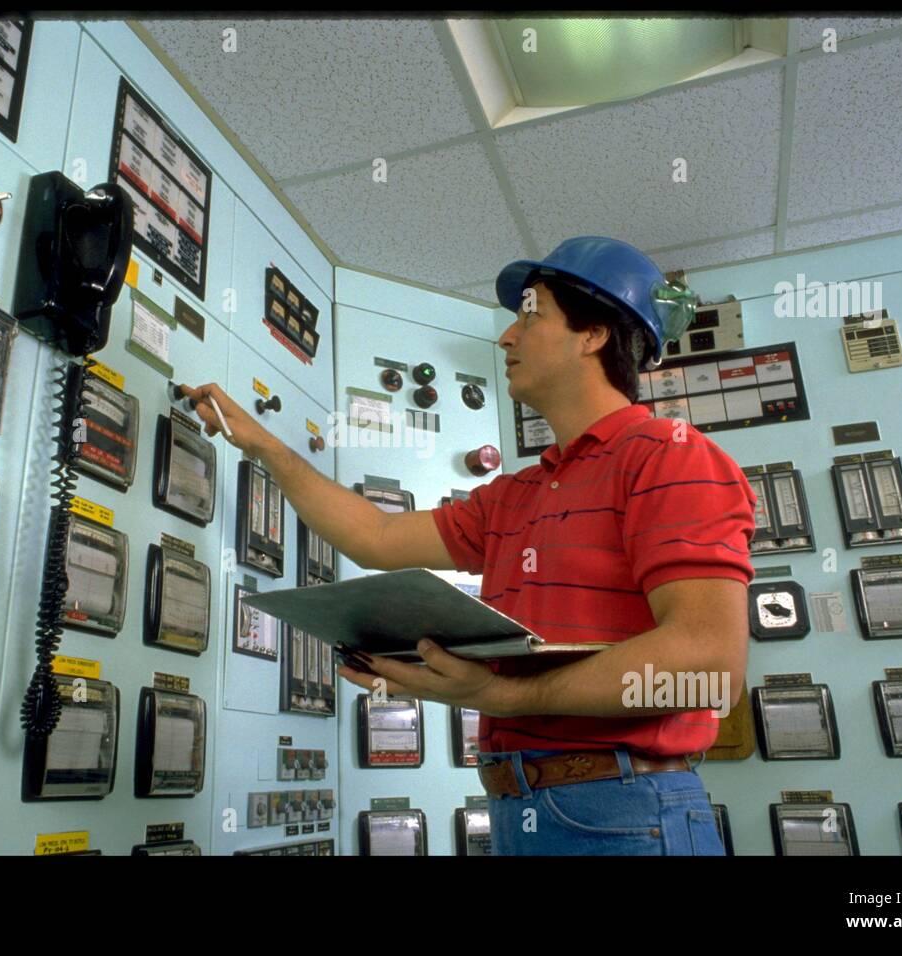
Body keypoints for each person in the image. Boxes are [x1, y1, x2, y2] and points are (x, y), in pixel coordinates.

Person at [179, 236, 756, 856]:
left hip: (626, 810)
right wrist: (264, 446)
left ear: (593, 334)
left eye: (529, 314)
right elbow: (375, 537)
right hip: (518, 807)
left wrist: (503, 695)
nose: (507, 338)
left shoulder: (672, 459)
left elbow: (706, 666)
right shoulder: (516, 494)